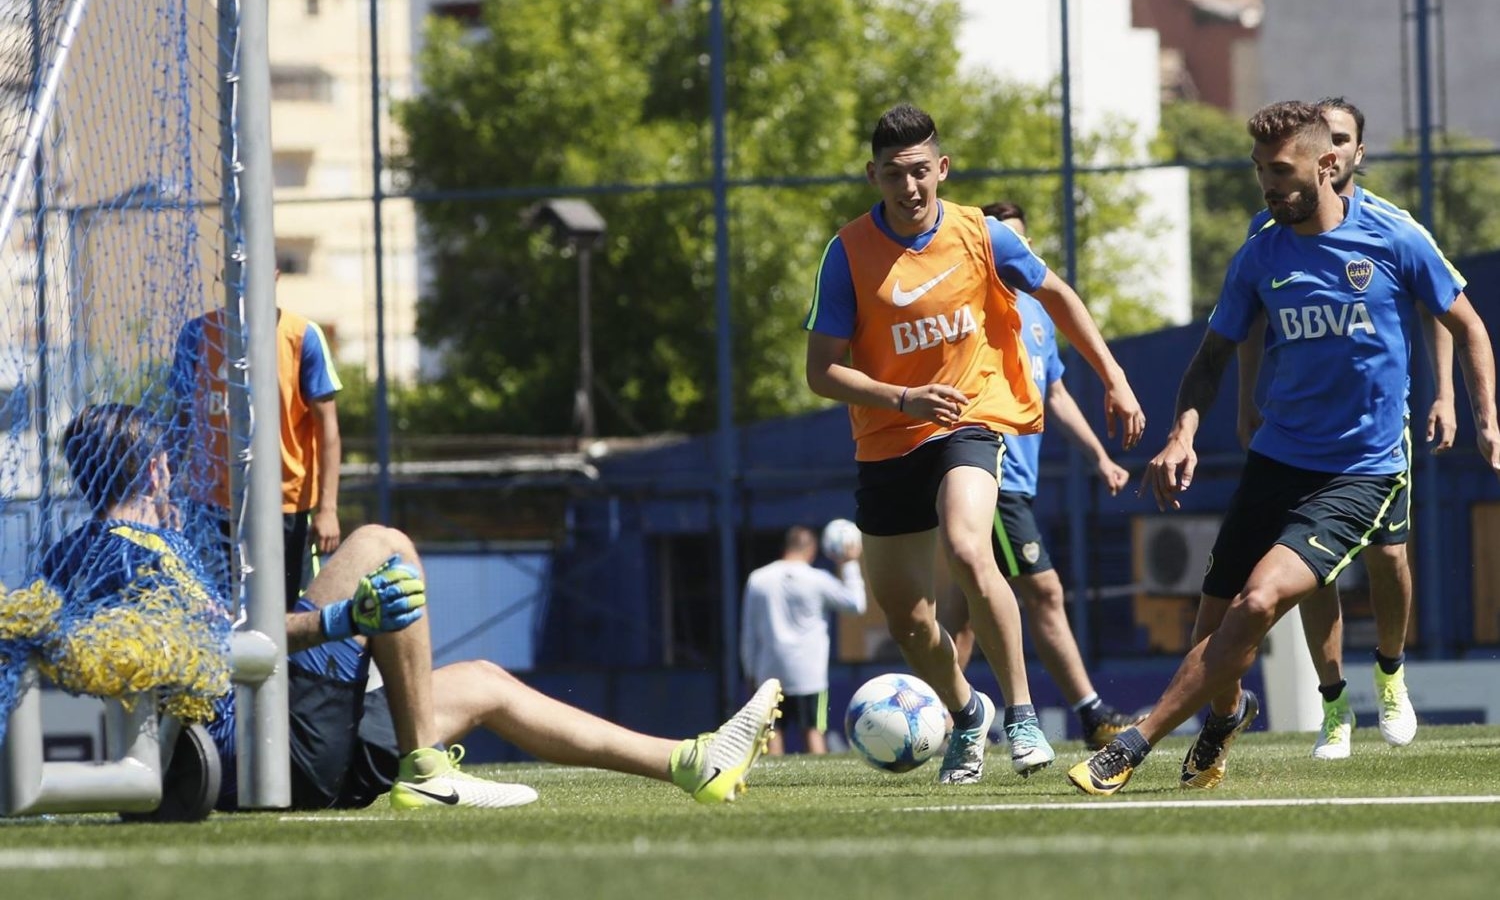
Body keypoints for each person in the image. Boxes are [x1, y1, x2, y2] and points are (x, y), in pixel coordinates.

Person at [42, 402, 784, 811]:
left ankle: (693, 762)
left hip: (274, 749)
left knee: (488, 680)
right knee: (382, 541)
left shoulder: (69, 553)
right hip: (268, 751)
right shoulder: (144, 550)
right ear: (160, 467)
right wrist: (339, 620)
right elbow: (228, 653)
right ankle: (425, 765)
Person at [1069, 101, 1500, 797]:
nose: (1267, 184)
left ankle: (1132, 744)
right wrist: (1182, 433)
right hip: (1278, 459)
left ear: (1328, 163)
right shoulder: (1261, 250)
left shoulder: (1394, 238)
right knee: (1214, 626)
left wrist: (1484, 417)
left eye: (1280, 169)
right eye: (1258, 170)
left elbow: (1468, 323)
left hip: (1362, 469)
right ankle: (1228, 714)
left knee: (1262, 598)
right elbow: (1211, 357)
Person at [804, 103, 1145, 784]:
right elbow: (821, 371)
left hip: (970, 416)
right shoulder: (847, 254)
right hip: (889, 437)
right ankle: (968, 712)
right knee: (908, 619)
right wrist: (901, 397)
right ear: (875, 175)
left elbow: (1059, 295)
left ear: (943, 168)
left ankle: (1022, 713)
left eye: (922, 172)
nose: (911, 188)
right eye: (896, 175)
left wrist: (1115, 377)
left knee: (966, 545)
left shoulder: (980, 233)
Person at [1236, 97, 1454, 760]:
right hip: (1300, 440)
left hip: (1377, 438)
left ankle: (1390, 674)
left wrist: (1444, 394)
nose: (1331, 147)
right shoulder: (1268, 232)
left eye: (1342, 138)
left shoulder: (1393, 229)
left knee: (1389, 558)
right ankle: (1335, 708)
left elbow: (1445, 309)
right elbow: (1247, 322)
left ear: (1352, 154)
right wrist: (1248, 401)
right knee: (1315, 572)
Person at [934, 201, 1138, 751]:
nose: (1015, 257)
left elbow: (1055, 394)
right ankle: (1091, 713)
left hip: (1021, 479)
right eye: (1004, 247)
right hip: (988, 471)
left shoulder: (1040, 314)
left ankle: (944, 721)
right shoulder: (974, 307)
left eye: (1021, 246)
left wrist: (1099, 455)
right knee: (1042, 590)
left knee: (961, 612)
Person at [170, 278, 344, 608]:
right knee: (215, 610)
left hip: (285, 504)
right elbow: (179, 421)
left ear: (274, 271)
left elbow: (329, 430)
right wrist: (167, 492)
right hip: (212, 504)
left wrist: (328, 509)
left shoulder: (301, 335)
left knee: (289, 613)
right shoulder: (197, 333)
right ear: (223, 272)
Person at [740, 525, 867, 755]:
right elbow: (856, 604)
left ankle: (773, 789)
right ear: (812, 550)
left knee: (772, 731)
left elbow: (749, 633)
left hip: (768, 671)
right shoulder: (817, 579)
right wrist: (849, 563)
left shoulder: (758, 579)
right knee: (813, 731)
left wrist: (750, 672)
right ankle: (817, 787)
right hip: (809, 674)